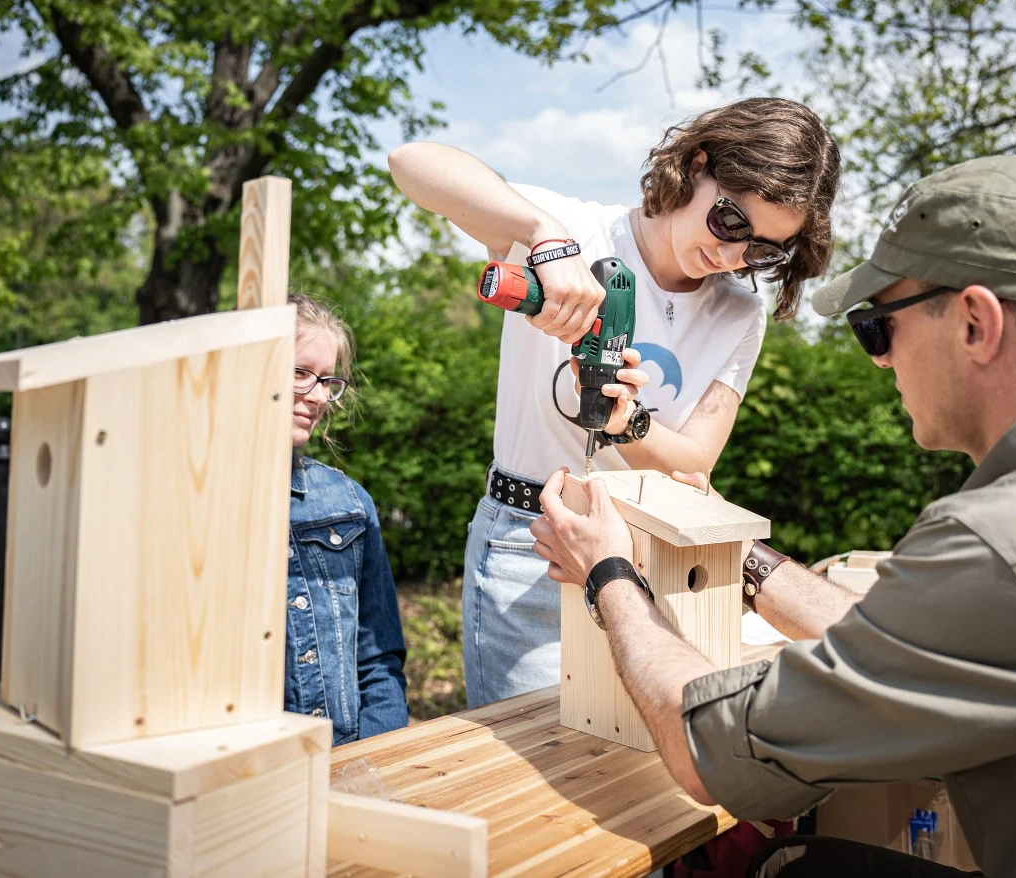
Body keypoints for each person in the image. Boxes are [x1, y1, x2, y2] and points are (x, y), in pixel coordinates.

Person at [530, 156, 1016, 876]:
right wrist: (744, 561)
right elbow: (892, 628)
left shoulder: (1015, 539)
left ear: (976, 323)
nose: (879, 357)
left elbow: (713, 754)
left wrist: (611, 573)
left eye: (879, 325)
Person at [387, 98, 841, 707]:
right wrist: (544, 237)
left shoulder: (739, 313)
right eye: (732, 223)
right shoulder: (574, 230)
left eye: (763, 249)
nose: (734, 257)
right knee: (538, 765)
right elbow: (411, 161)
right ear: (698, 164)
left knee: (637, 767)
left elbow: (696, 457)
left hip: (655, 553)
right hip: (532, 545)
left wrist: (630, 423)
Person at [287, 294, 408, 744]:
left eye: (327, 380)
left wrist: (371, 761)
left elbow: (379, 664)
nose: (319, 397)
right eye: (300, 373)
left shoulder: (349, 505)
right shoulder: (191, 505)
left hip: (348, 765)